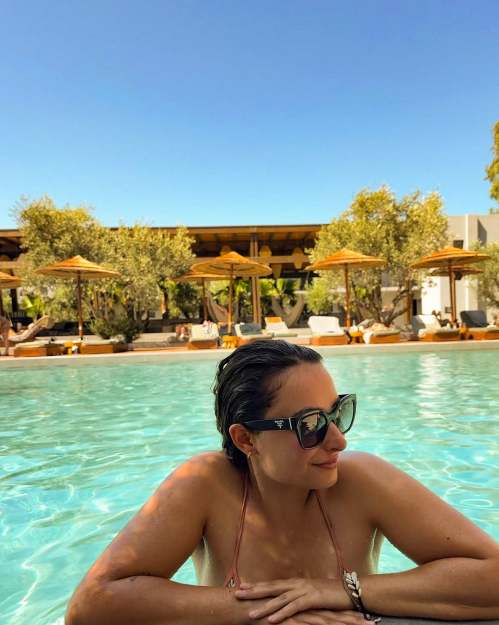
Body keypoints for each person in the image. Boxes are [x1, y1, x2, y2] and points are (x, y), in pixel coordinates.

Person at [66, 340, 499, 625]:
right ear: (246, 439)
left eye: (337, 412)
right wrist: (269, 610)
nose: (338, 440)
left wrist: (333, 592)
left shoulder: (361, 480)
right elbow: (90, 607)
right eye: (311, 424)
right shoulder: (205, 485)